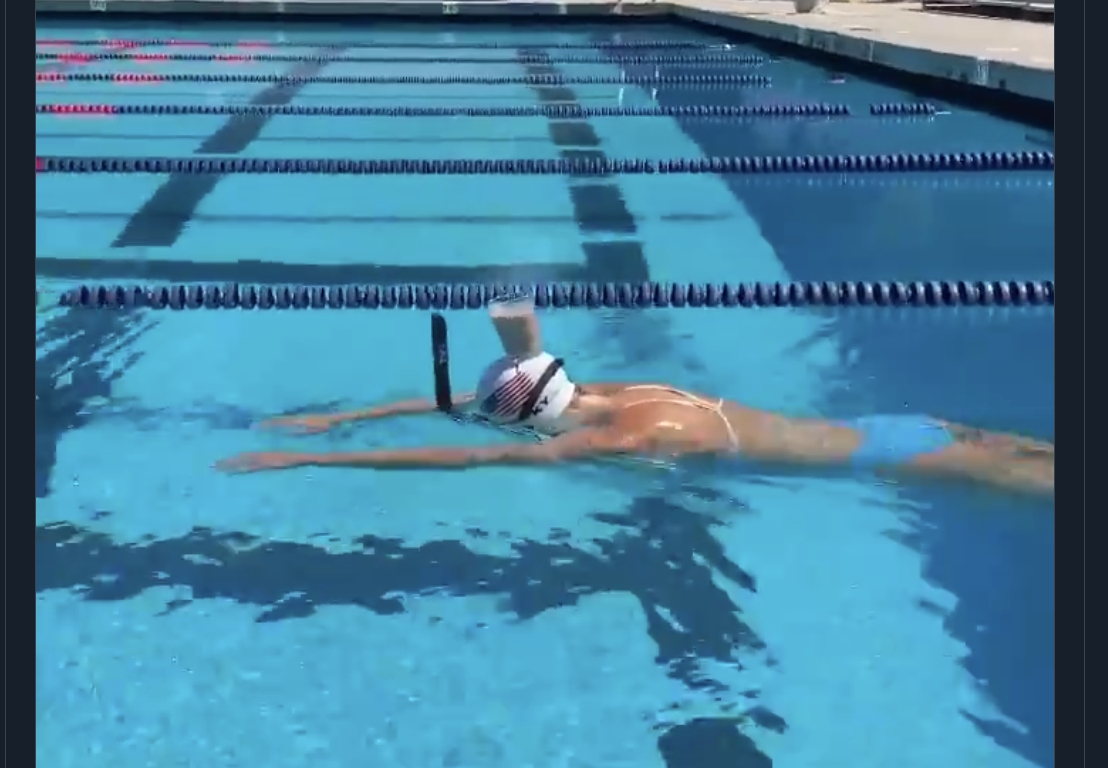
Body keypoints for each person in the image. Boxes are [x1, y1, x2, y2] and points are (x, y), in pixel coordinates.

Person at [216, 296, 1053, 496]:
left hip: (904, 459)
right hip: (902, 427)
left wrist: (313, 453)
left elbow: (466, 450)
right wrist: (350, 415)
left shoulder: (617, 441)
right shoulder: (625, 394)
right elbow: (491, 407)